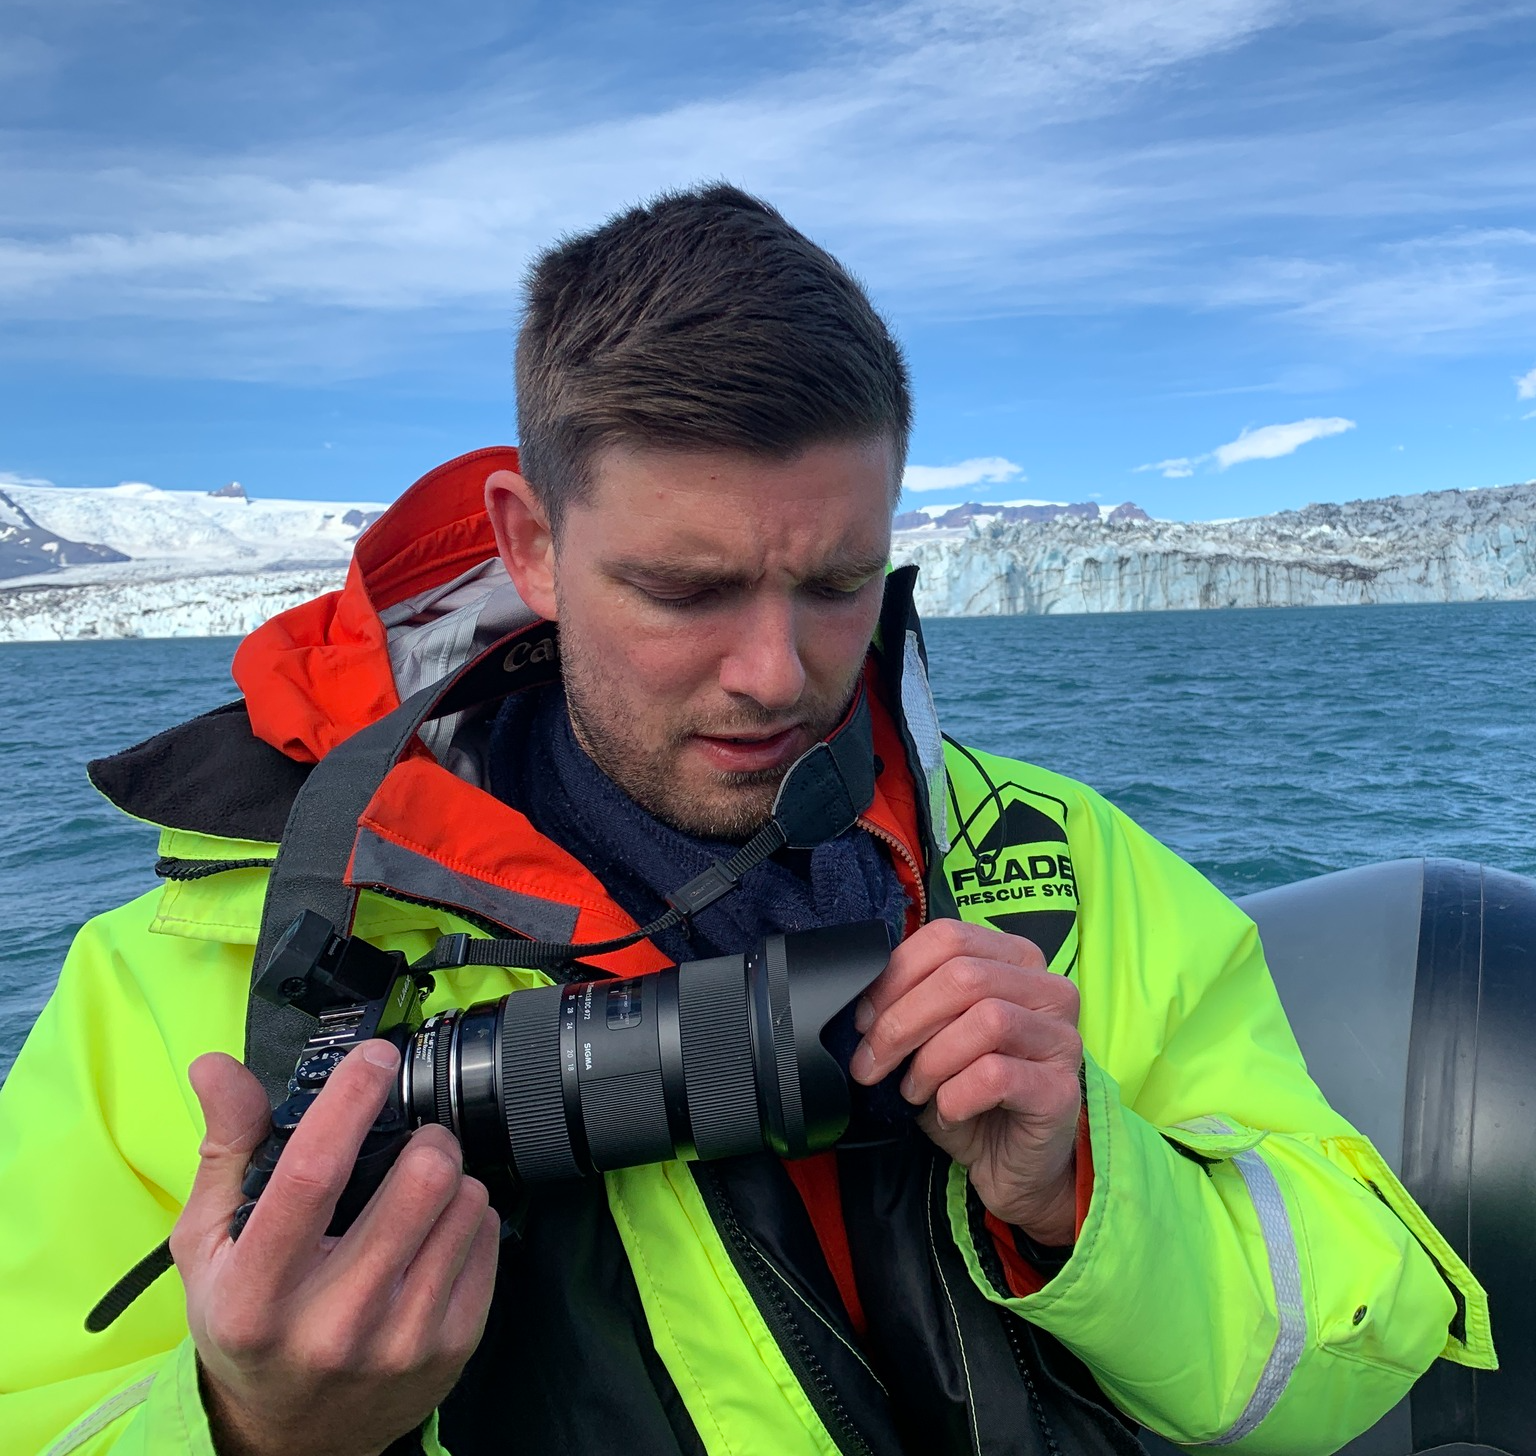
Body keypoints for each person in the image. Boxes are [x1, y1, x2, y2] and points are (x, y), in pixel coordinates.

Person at [0, 185, 1492, 1456]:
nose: (777, 678)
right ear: (534, 544)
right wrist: (244, 1422)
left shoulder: (1068, 876)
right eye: (687, 589)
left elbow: (1358, 1344)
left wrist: (1090, 1189)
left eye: (839, 583)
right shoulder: (182, 982)